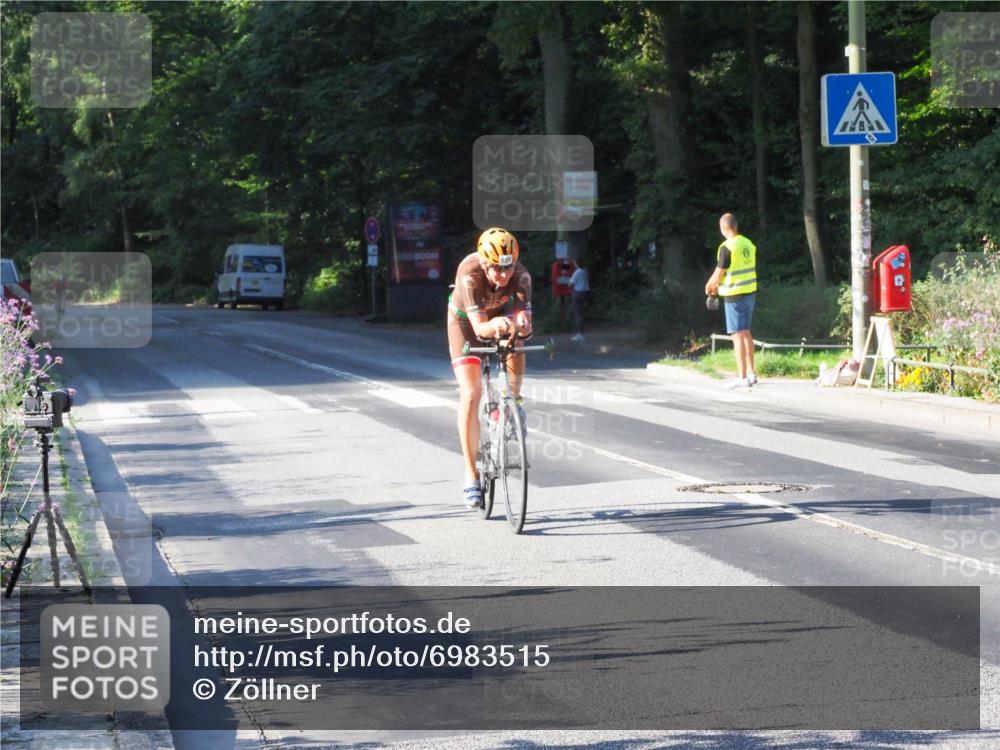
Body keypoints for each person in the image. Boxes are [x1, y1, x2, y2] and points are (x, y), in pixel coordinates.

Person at [448, 228, 532, 509]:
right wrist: (495, 325)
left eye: (508, 266)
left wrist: (521, 324)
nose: (504, 274)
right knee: (472, 392)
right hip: (465, 323)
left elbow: (526, 323)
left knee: (517, 340)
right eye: (497, 268)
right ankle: (471, 475)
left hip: (499, 316)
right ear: (484, 263)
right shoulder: (469, 274)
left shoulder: (521, 277)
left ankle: (513, 402)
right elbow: (480, 329)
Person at [704, 213, 758, 388]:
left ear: (723, 228)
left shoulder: (726, 247)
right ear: (736, 225)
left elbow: (720, 272)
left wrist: (709, 285)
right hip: (750, 293)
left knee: (737, 335)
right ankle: (751, 373)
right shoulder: (748, 244)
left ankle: (741, 377)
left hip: (734, 295)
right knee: (746, 332)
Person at [569, 258, 589, 342]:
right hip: (584, 292)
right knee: (581, 313)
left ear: (577, 263)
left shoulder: (577, 272)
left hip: (577, 293)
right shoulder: (584, 270)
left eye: (574, 262)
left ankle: (580, 334)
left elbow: (570, 284)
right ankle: (581, 332)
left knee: (578, 314)